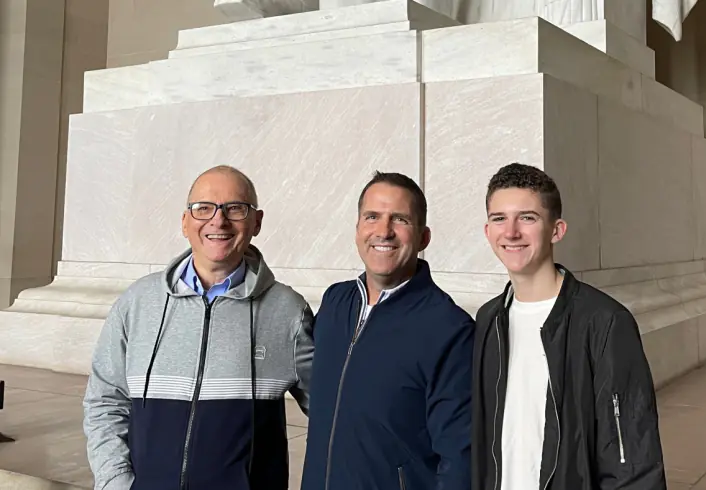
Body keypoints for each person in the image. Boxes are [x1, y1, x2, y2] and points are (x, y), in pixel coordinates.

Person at [83, 165, 315, 490]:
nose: (217, 221)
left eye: (235, 208)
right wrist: (115, 483)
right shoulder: (137, 303)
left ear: (257, 222)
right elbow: (105, 400)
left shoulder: (288, 311)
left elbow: (332, 414)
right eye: (203, 208)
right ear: (184, 222)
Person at [472, 163, 666, 490]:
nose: (511, 232)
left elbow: (631, 457)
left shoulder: (605, 322)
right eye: (499, 218)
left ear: (557, 230)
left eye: (528, 218)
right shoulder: (488, 320)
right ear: (487, 230)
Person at [300, 171, 474, 490]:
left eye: (400, 219)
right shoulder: (335, 302)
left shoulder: (450, 329)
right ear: (357, 230)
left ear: (423, 237)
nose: (384, 231)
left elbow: (459, 457)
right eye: (372, 217)